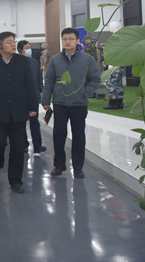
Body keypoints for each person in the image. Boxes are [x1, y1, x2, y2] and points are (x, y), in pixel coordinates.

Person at [0, 32, 38, 194]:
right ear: (0, 45)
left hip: (18, 111)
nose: (13, 45)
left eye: (14, 41)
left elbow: (30, 85)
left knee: (18, 147)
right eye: (9, 42)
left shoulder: (22, 61)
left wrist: (33, 106)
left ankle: (15, 180)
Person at [42, 27, 101, 179]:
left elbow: (95, 79)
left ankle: (78, 167)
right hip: (60, 103)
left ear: (77, 41)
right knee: (59, 135)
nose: (67, 42)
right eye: (65, 39)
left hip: (79, 104)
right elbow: (49, 81)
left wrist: (85, 93)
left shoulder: (87, 59)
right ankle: (59, 165)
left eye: (71, 39)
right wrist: (46, 100)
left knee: (79, 136)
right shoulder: (55, 60)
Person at [17, 40, 46, 153]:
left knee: (34, 122)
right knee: (21, 123)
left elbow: (39, 77)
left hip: (33, 97)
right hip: (21, 98)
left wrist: (39, 89)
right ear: (20, 50)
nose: (30, 50)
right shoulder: (16, 62)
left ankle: (37, 145)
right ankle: (24, 144)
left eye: (30, 48)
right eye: (27, 48)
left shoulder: (34, 62)